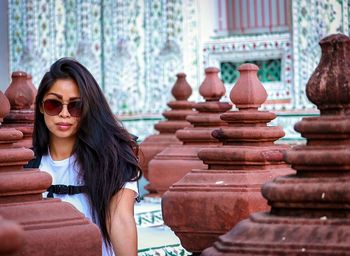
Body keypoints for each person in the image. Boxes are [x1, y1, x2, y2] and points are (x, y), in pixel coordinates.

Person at [26, 58, 142, 256]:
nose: (64, 114)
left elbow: (120, 219)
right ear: (40, 106)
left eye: (76, 106)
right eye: (54, 104)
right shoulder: (27, 166)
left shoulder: (112, 158)